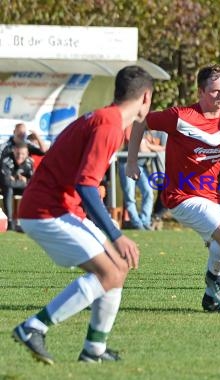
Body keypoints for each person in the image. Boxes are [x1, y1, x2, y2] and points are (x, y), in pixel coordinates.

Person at [12, 66, 153, 364]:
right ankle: (33, 327)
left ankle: (94, 351)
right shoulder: (109, 125)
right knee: (110, 271)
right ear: (146, 97)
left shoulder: (107, 119)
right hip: (47, 210)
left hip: (59, 207)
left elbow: (84, 181)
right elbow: (85, 184)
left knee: (118, 267)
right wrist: (117, 235)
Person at [126, 63, 220, 313]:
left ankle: (211, 299)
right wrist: (131, 161)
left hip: (212, 196)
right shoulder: (180, 116)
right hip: (181, 195)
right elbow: (140, 122)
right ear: (201, 92)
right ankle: (214, 282)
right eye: (215, 91)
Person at [118, 127, 154, 230]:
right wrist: (152, 147)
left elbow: (164, 147)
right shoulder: (136, 127)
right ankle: (137, 224)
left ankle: (145, 221)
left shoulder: (154, 133)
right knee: (130, 195)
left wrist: (149, 146)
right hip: (126, 164)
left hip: (140, 166)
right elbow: (142, 149)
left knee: (148, 192)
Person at [1, 142, 34, 231]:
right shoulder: (6, 161)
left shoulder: (29, 162)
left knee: (32, 191)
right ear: (13, 151)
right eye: (18, 153)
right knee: (8, 189)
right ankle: (10, 222)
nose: (20, 156)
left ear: (27, 154)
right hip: (5, 188)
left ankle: (26, 222)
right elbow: (7, 182)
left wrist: (24, 180)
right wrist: (23, 181)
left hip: (21, 187)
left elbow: (33, 182)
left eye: (23, 154)